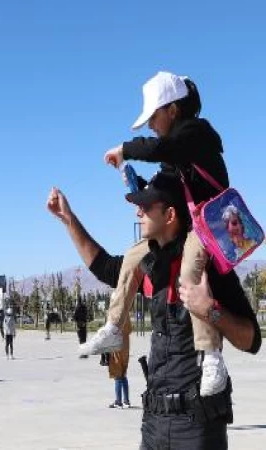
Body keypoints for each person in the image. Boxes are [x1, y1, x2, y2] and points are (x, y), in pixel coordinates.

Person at [47, 176, 261, 449]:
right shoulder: (148, 266)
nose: (139, 212)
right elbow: (104, 268)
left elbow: (251, 340)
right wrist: (67, 218)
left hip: (197, 426)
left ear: (170, 215)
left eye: (147, 207)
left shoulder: (208, 268)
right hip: (154, 422)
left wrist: (211, 310)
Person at [91, 72, 235, 398]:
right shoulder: (173, 156)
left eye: (153, 117)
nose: (152, 125)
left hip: (210, 222)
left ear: (172, 110)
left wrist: (125, 149)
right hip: (188, 223)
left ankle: (211, 356)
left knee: (189, 272)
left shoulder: (194, 134)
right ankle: (114, 327)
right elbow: (163, 191)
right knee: (132, 257)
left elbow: (160, 148)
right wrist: (135, 185)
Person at [107, 320, 132, 409]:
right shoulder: (126, 314)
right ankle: (126, 401)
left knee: (117, 374)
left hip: (117, 346)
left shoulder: (115, 314)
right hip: (125, 346)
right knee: (123, 374)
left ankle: (118, 401)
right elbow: (129, 329)